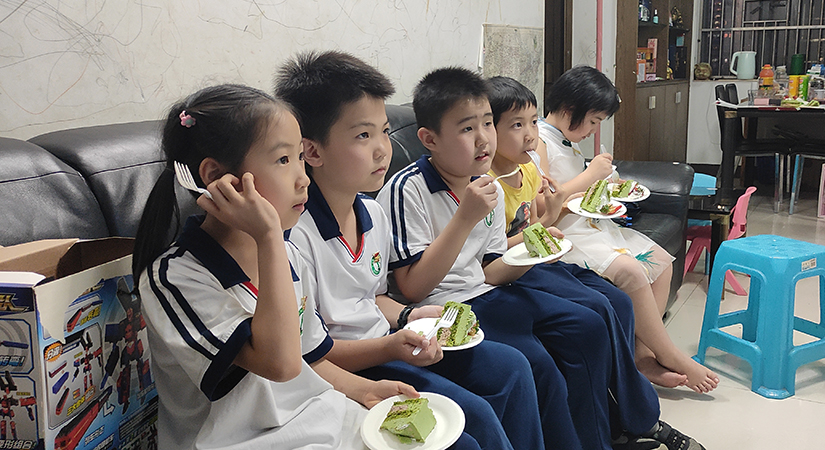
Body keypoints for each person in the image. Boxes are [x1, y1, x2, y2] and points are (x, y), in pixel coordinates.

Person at [377, 67, 705, 450]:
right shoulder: (408, 190)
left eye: (487, 123)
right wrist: (464, 219)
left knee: (589, 324)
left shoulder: (487, 186)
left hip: (489, 291)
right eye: (467, 128)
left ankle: (614, 430)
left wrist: (534, 250)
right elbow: (413, 288)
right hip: (446, 308)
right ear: (429, 139)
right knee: (539, 365)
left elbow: (491, 269)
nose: (484, 138)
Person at [132, 84, 428, 449]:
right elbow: (280, 365)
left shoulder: (286, 253)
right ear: (216, 177)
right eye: (283, 160)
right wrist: (269, 237)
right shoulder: (173, 279)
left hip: (318, 418)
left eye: (300, 157)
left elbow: (309, 359)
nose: (303, 178)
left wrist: (366, 390)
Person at [274, 50, 543, 450]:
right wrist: (391, 343)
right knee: (477, 422)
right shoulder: (295, 238)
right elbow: (308, 352)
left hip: (390, 340)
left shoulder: (372, 212)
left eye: (385, 132)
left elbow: (374, 296)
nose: (383, 149)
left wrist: (407, 315)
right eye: (363, 136)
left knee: (513, 368)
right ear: (312, 152)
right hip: (347, 365)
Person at [535, 66, 719, 394]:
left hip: (592, 226)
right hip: (566, 236)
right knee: (632, 270)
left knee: (661, 261)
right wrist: (591, 175)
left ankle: (643, 354)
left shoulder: (567, 140)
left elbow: (577, 194)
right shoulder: (539, 142)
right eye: (593, 121)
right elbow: (544, 209)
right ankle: (669, 354)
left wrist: (606, 185)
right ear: (569, 109)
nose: (594, 130)